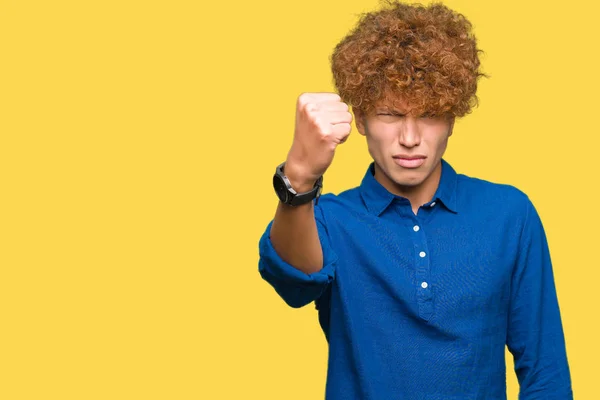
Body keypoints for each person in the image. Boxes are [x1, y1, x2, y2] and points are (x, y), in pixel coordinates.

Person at [257, 1, 573, 398]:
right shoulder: (327, 219)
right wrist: (300, 176)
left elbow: (546, 374)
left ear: (453, 117)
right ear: (360, 119)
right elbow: (290, 283)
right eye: (390, 114)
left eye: (429, 114)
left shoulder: (510, 214)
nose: (409, 138)